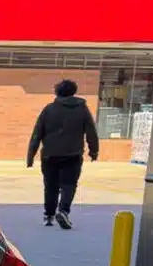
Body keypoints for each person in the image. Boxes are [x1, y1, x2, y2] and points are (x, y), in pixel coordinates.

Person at [26, 79, 99, 229]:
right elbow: (91, 131)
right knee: (69, 184)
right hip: (73, 154)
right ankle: (63, 211)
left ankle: (49, 215)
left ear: (57, 92)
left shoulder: (49, 110)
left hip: (50, 155)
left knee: (50, 186)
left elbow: (37, 133)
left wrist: (30, 156)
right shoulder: (82, 109)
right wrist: (94, 151)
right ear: (74, 91)